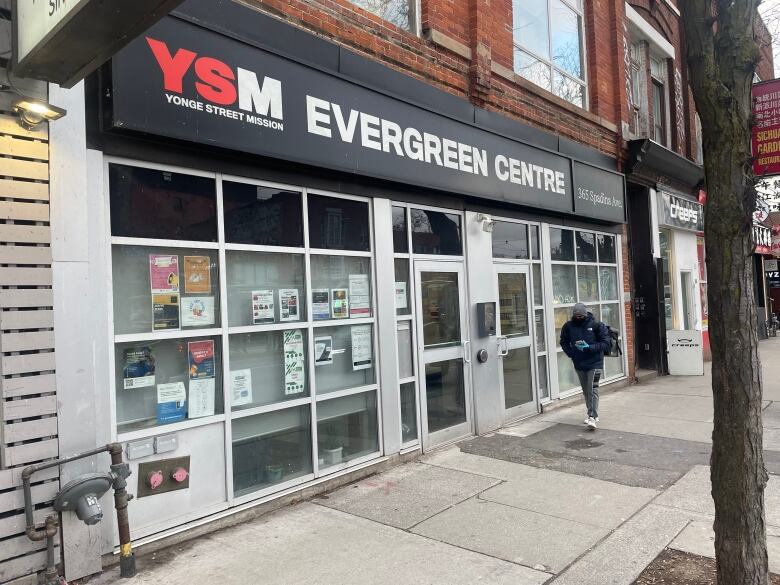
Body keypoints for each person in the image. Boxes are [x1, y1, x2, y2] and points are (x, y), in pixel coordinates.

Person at [560, 303, 610, 429]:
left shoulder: (596, 325)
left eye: (581, 316)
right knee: (586, 391)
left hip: (595, 363)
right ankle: (594, 413)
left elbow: (605, 343)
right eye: (576, 316)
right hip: (579, 363)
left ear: (585, 314)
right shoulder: (568, 327)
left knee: (592, 389)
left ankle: (592, 417)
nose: (578, 318)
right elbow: (563, 341)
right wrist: (571, 353)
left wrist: (589, 348)